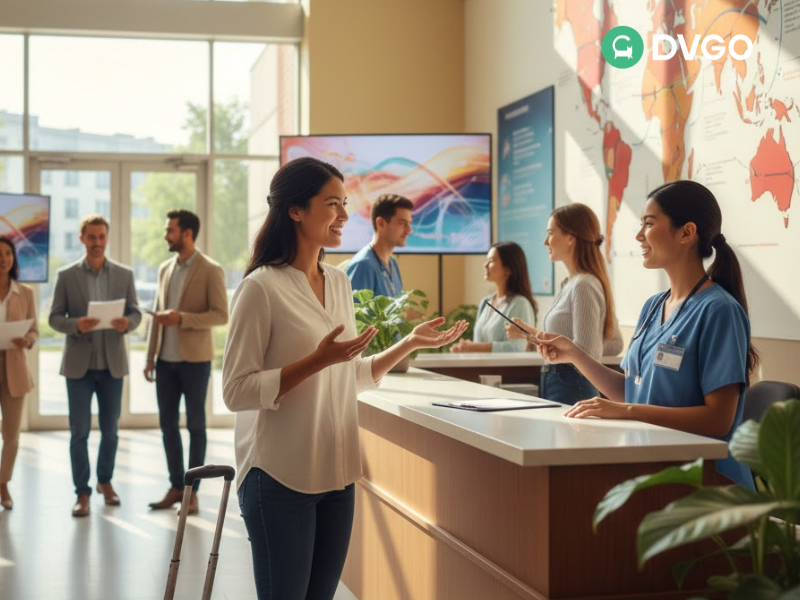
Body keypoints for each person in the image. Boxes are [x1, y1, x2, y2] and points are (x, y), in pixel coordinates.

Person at [222, 157, 467, 600]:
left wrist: (409, 343)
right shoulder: (261, 287)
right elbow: (236, 391)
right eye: (332, 204)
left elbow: (348, 374)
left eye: (345, 203)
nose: (343, 215)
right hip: (278, 477)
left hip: (336, 474)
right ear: (295, 210)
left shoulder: (337, 282)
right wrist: (316, 361)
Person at [531, 181, 758, 486]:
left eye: (649, 224)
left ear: (686, 233)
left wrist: (626, 412)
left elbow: (718, 419)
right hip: (657, 469)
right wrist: (573, 353)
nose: (639, 236)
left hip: (710, 488)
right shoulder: (654, 306)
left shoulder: (719, 310)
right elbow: (631, 391)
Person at [49, 215, 141, 516]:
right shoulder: (66, 275)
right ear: (82, 239)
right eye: (91, 237)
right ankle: (82, 492)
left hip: (112, 365)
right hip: (79, 368)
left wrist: (127, 322)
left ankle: (105, 481)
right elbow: (54, 318)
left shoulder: (124, 275)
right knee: (79, 432)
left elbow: (136, 313)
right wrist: (77, 325)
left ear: (107, 238)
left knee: (111, 431)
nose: (97, 242)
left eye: (102, 237)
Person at [145, 209, 228, 515]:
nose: (166, 235)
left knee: (196, 426)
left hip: (195, 362)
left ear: (187, 233)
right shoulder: (165, 268)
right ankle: (176, 486)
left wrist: (182, 319)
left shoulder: (211, 269)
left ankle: (192, 492)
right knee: (168, 425)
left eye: (171, 230)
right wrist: (150, 356)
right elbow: (156, 314)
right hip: (165, 363)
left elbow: (221, 314)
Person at [504, 204, 623, 403]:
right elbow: (613, 343)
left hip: (572, 384)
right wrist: (531, 335)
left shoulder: (583, 285)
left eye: (550, 233)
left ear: (570, 238)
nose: (545, 241)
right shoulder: (572, 283)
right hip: (562, 381)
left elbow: (586, 353)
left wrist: (529, 335)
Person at [0, 236, 38, 511]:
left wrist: (28, 339)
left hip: (14, 369)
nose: (3, 259)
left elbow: (34, 329)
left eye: (7, 254)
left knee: (11, 434)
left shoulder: (25, 293)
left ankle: (3, 484)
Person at [451, 241, 537, 353]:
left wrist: (474, 347)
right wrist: (466, 347)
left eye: (491, 261)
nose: (485, 265)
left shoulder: (520, 304)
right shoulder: (486, 302)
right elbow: (479, 343)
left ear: (508, 269)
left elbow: (518, 347)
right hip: (481, 369)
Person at [345, 193, 413, 297]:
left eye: (409, 223)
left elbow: (397, 310)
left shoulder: (392, 263)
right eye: (402, 223)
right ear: (381, 223)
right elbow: (353, 312)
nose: (409, 230)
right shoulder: (363, 266)